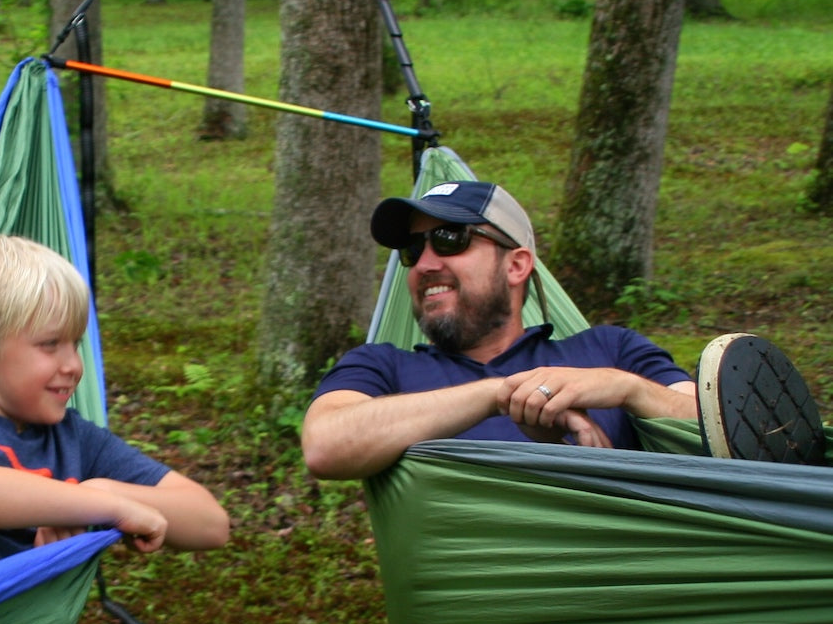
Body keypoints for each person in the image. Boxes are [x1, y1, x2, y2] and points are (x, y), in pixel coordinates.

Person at [302, 180, 826, 480]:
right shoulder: (382, 366)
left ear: (517, 265)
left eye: (450, 238)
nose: (425, 263)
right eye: (412, 251)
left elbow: (727, 429)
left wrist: (626, 388)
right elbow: (325, 445)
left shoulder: (610, 349)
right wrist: (499, 395)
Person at [0, 234, 229, 608]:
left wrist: (107, 492)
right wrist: (97, 506)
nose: (73, 366)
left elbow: (211, 523)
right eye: (49, 344)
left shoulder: (76, 439)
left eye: (75, 344)